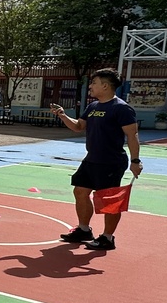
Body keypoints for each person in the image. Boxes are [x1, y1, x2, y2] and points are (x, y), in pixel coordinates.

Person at [52, 67, 142, 251]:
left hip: (111, 162)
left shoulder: (121, 108)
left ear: (105, 86)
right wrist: (62, 115)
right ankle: (84, 230)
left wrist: (135, 161)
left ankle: (107, 238)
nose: (91, 86)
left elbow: (132, 136)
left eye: (94, 83)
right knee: (80, 191)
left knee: (109, 201)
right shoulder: (92, 107)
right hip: (91, 159)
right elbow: (78, 127)